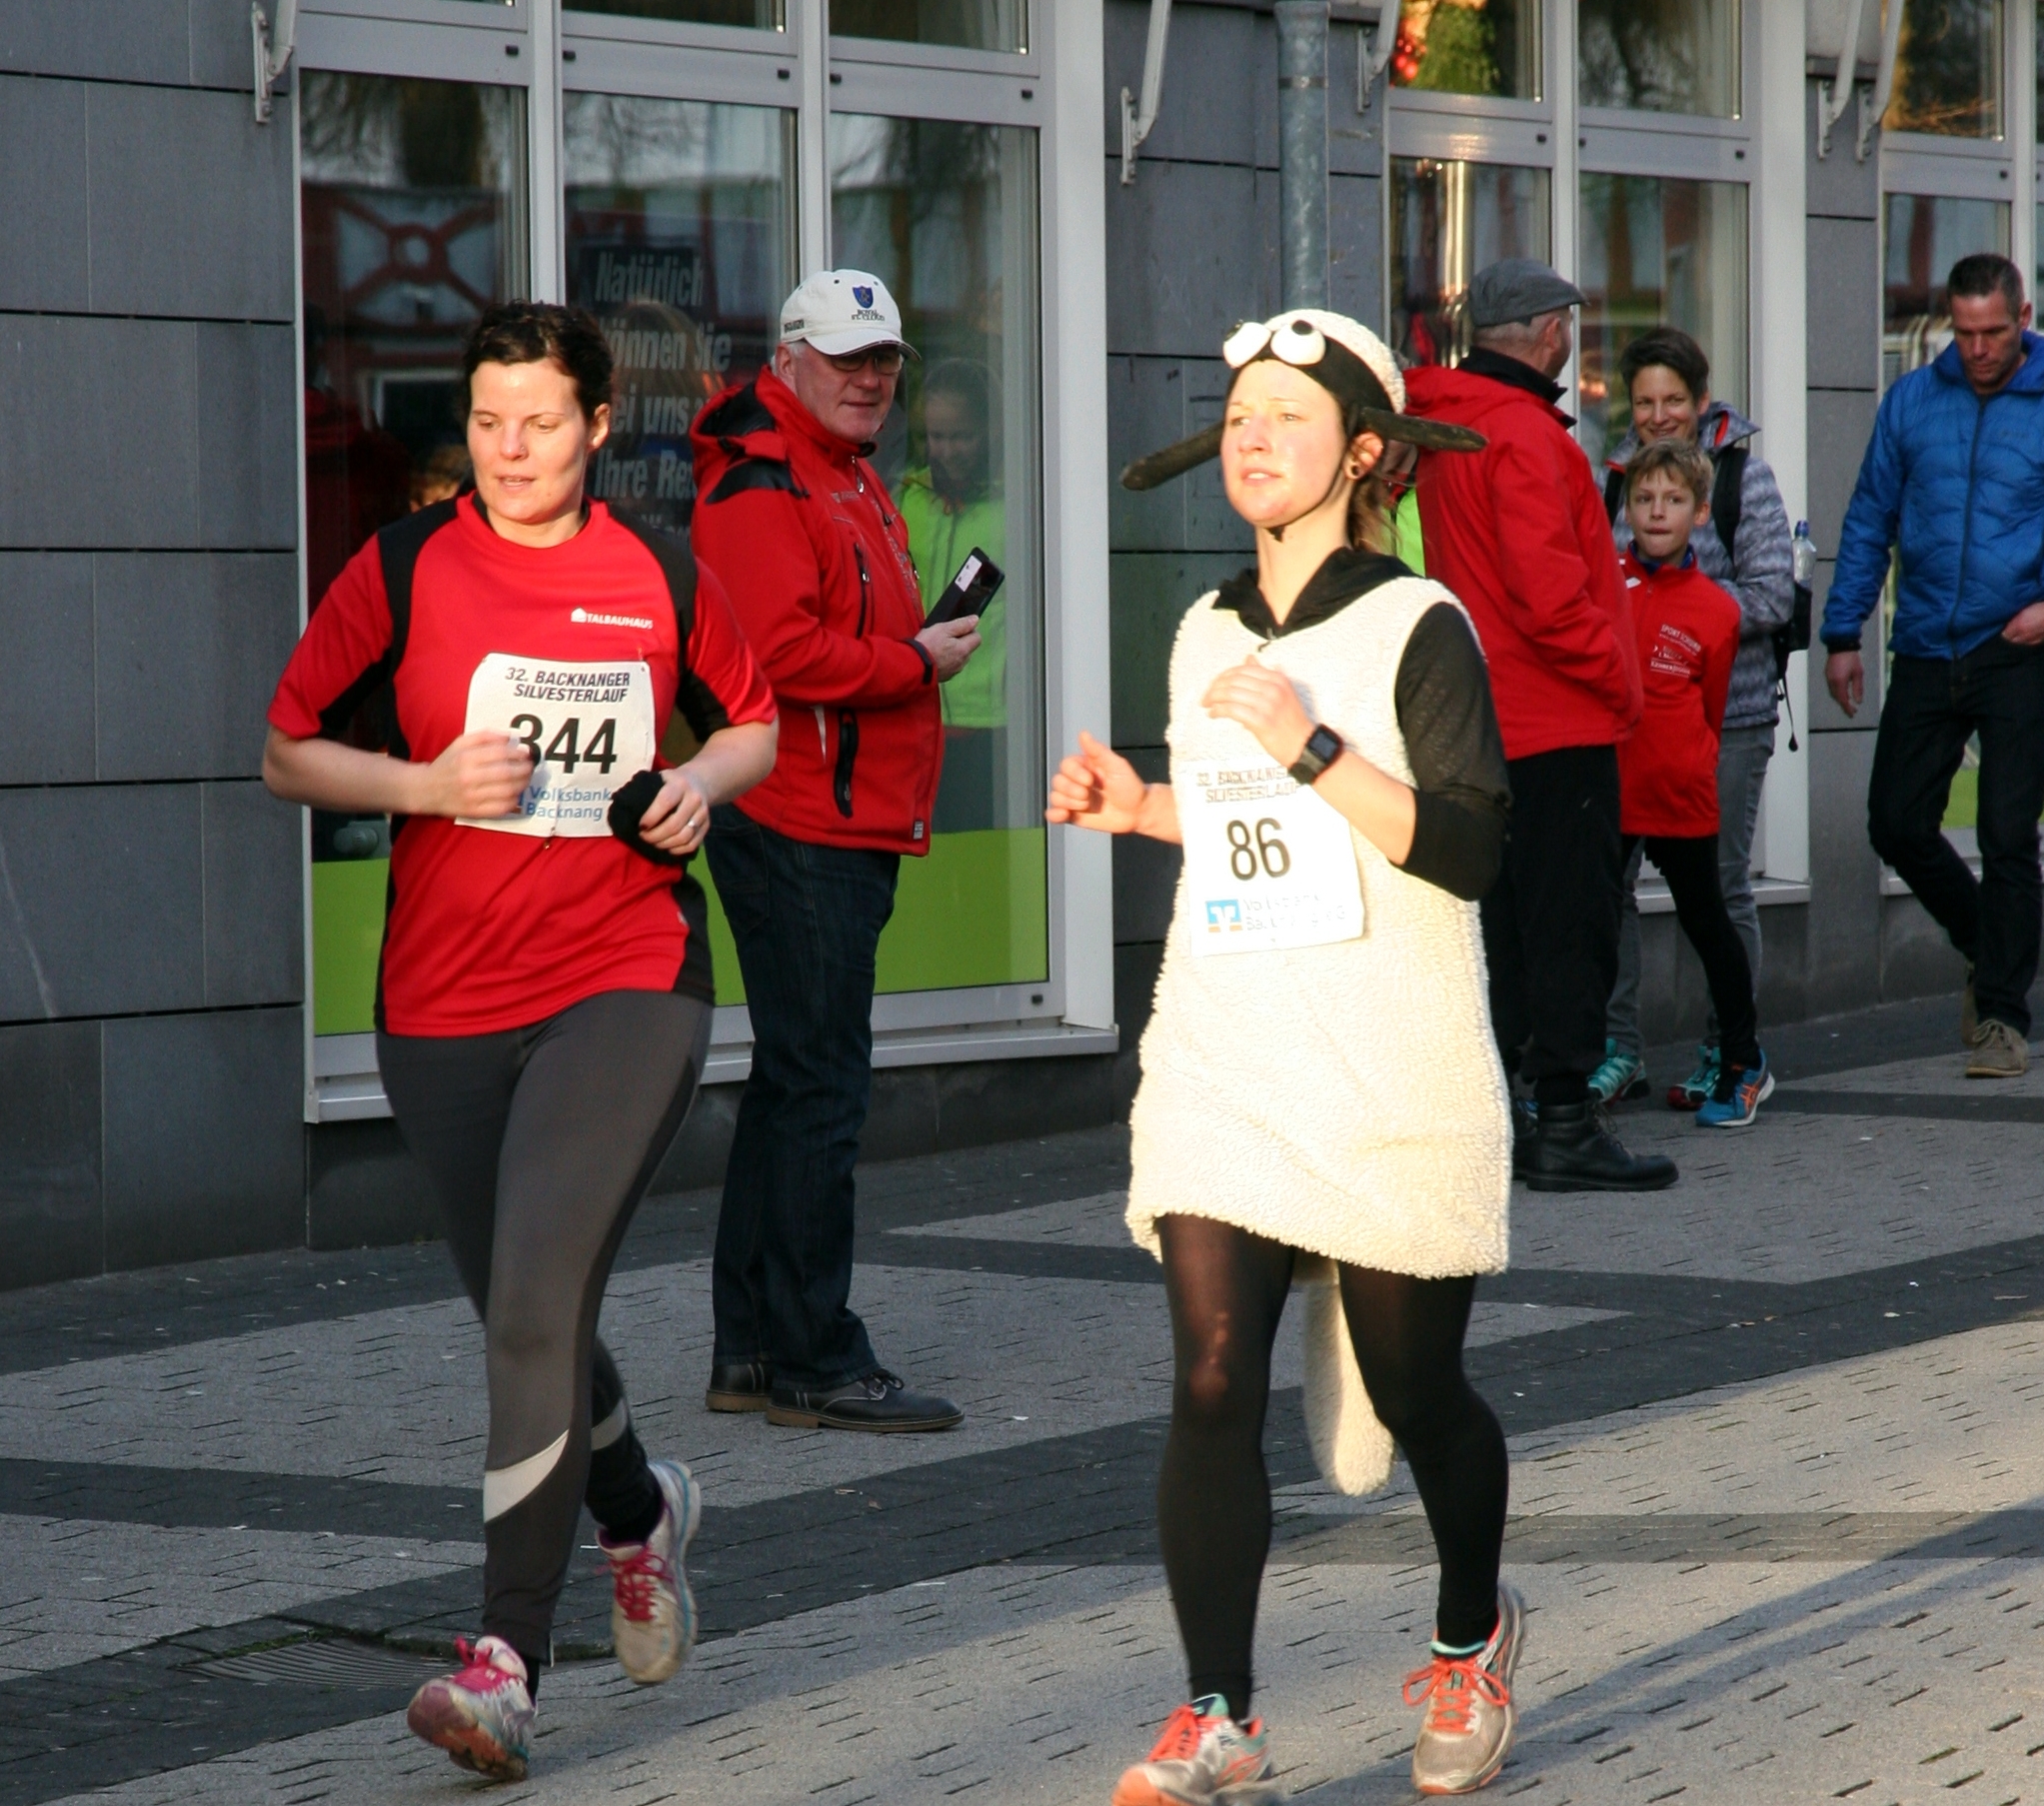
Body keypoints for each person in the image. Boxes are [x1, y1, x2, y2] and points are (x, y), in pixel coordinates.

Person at [263, 301, 780, 1782]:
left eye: (540, 422)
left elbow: (752, 722)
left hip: (624, 971)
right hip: (440, 1000)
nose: (509, 448)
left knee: (537, 1299)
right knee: (521, 1313)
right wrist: (423, 786)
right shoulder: (403, 566)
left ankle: (503, 1663)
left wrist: (697, 786)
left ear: (599, 426)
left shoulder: (658, 569)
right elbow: (287, 746)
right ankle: (639, 1511)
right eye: (487, 421)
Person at [1052, 308, 1524, 1803]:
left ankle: (1469, 1631)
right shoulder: (1207, 629)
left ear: (1363, 451)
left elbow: (1466, 850)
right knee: (1209, 1373)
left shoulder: (1416, 623)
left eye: (1286, 416)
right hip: (1230, 1046)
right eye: (1237, 415)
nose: (1250, 438)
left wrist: (1315, 745)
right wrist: (1138, 806)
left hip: (1389, 1056)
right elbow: (1237, 825)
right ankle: (1219, 1712)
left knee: (1415, 1385)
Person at [689, 271, 981, 1431]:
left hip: (831, 816)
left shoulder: (838, 469)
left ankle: (754, 1350)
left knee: (791, 1085)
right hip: (798, 817)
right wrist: (914, 662)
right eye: (848, 358)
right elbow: (776, 656)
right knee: (818, 1091)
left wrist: (910, 647)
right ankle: (814, 1357)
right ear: (789, 360)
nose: (870, 379)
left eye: (884, 360)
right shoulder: (765, 479)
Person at [1404, 259, 1673, 1191]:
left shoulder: (1448, 426)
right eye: (1568, 326)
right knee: (1570, 930)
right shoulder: (1523, 433)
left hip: (1482, 721)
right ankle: (1563, 1124)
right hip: (1557, 721)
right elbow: (1550, 597)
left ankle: (1511, 1120)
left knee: (1507, 935)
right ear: (1550, 332)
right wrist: (1622, 683)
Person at [1826, 252, 2044, 1079]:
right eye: (1963, 333)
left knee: (2006, 833)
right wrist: (1841, 633)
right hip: (1924, 639)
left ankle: (2001, 1018)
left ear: (2022, 318)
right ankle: (1989, 943)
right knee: (1894, 821)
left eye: (1992, 332)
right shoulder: (1912, 401)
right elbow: (1868, 517)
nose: (1977, 349)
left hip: (2017, 644)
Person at [1596, 327, 1793, 1109]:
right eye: (1643, 401)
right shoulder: (1616, 477)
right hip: (1628, 733)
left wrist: (1683, 614)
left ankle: (1728, 1048)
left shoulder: (1743, 477)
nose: (1657, 415)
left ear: (1700, 400)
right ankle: (1618, 1048)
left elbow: (1771, 595)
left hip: (1726, 716)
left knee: (1719, 888)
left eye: (1672, 399)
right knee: (1608, 892)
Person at [1616, 440, 1773, 1127]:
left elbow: (1710, 707)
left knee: (1707, 922)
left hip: (1680, 789)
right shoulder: (1603, 584)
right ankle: (1581, 1063)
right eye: (1645, 499)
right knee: (1589, 925)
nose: (1658, 511)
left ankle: (1742, 1061)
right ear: (1627, 509)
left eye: (1674, 500)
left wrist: (1688, 759)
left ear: (1699, 513)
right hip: (1611, 787)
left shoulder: (1716, 609)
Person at [901, 359, 1008, 832]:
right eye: (935, 437)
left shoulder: (1019, 502)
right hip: (917, 716)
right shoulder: (908, 498)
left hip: (994, 727)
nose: (946, 452)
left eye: (961, 436)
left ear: (991, 431)